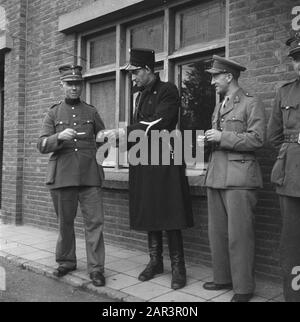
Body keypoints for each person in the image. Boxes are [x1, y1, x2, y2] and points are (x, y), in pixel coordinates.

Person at [101, 48, 193, 290]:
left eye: (135, 73)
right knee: (150, 210)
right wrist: (123, 140)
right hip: (144, 161)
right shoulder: (139, 96)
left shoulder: (168, 90)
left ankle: (178, 267)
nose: (133, 78)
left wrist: (125, 131)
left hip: (166, 162)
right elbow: (142, 127)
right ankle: (155, 261)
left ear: (149, 70)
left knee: (171, 212)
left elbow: (160, 122)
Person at [201, 55, 266, 302]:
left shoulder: (251, 102)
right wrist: (209, 140)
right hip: (217, 175)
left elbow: (258, 139)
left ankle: (243, 288)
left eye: (215, 77)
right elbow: (219, 137)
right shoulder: (220, 104)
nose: (212, 82)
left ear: (229, 76)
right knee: (217, 233)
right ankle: (223, 278)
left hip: (240, 178)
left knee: (240, 235)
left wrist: (222, 137)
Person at [37, 64, 106, 287]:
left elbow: (103, 138)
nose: (74, 88)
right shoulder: (53, 113)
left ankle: (96, 269)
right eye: (70, 84)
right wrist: (59, 136)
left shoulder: (91, 111)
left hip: (89, 176)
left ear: (81, 86)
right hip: (63, 176)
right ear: (62, 85)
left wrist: (102, 152)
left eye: (77, 84)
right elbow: (41, 145)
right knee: (65, 223)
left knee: (94, 223)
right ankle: (66, 261)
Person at [267, 31, 300, 302]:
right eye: (296, 59)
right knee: (292, 243)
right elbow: (273, 136)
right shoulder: (284, 91)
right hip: (291, 177)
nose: (299, 64)